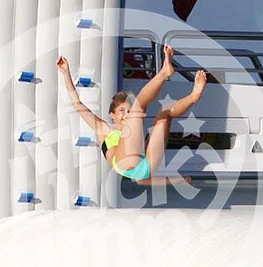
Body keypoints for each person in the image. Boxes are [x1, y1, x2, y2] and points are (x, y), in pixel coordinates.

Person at [56, 45, 206, 185]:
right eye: (122, 111)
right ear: (112, 115)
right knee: (138, 106)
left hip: (141, 165)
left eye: (128, 111)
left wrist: (176, 180)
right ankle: (164, 73)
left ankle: (193, 96)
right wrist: (66, 74)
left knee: (165, 112)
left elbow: (140, 180)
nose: (126, 114)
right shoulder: (104, 129)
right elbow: (77, 104)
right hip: (143, 167)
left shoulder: (130, 132)